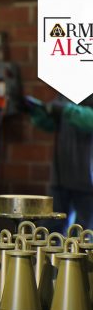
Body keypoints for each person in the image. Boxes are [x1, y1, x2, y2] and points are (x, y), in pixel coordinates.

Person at [26, 93, 93, 232]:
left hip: (87, 179)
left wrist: (66, 110)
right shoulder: (68, 91)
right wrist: (36, 111)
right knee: (50, 230)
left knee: (84, 234)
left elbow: (89, 120)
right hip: (61, 175)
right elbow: (51, 123)